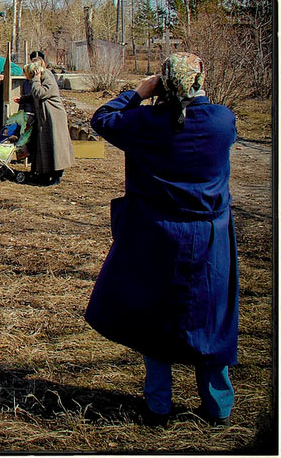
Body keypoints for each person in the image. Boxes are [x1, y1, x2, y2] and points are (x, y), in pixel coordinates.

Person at [85, 52, 238, 428]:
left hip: (156, 235)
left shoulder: (147, 122)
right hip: (209, 238)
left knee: (155, 318)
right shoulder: (222, 121)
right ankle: (218, 407)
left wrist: (138, 92)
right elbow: (205, 118)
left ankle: (158, 405)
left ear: (163, 85)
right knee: (211, 318)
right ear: (200, 82)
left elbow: (101, 119)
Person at [23, 61, 74, 185]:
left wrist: (35, 79)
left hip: (53, 118)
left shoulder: (48, 78)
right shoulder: (42, 79)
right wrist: (23, 99)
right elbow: (35, 95)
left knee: (55, 146)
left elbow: (39, 93)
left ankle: (56, 174)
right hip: (45, 118)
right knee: (43, 147)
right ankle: (44, 173)